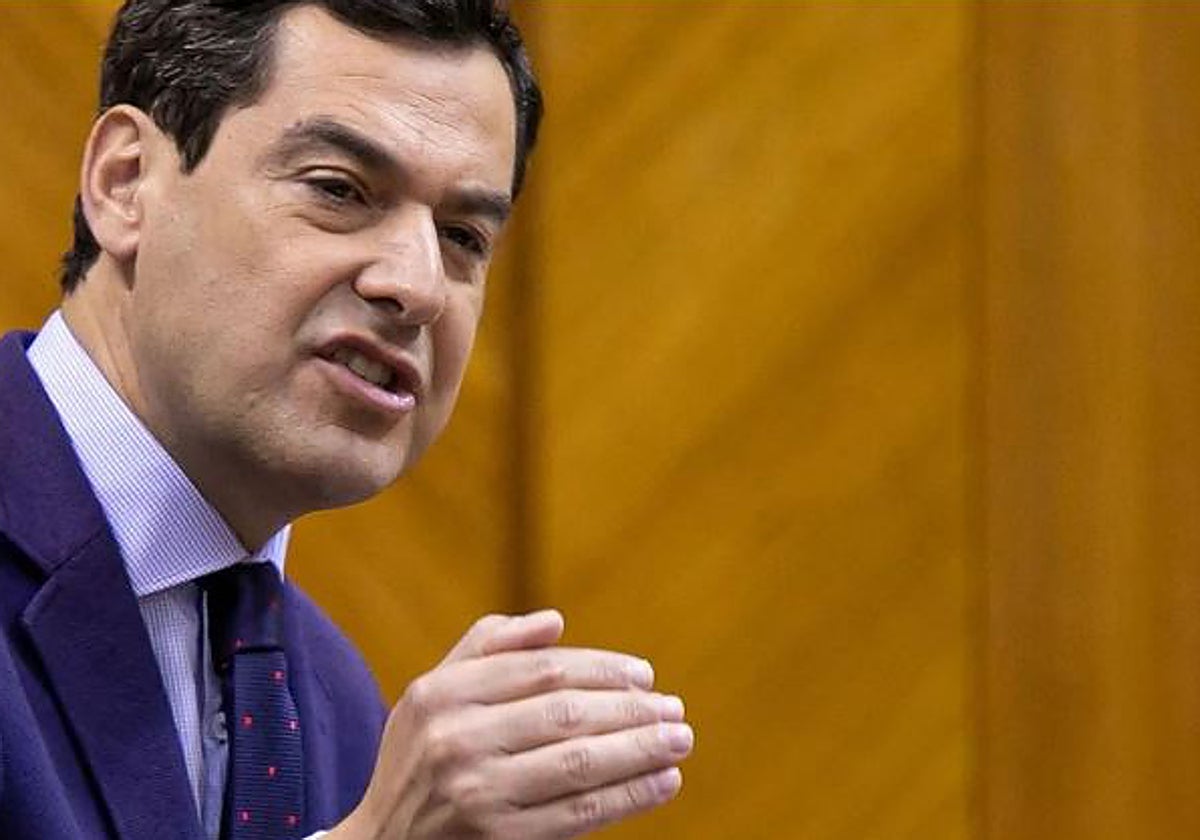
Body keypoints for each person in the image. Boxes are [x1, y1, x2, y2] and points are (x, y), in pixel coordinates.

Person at [0, 2, 694, 838]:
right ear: (125, 183)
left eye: (463, 237)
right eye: (339, 190)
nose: (418, 285)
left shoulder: (330, 700)